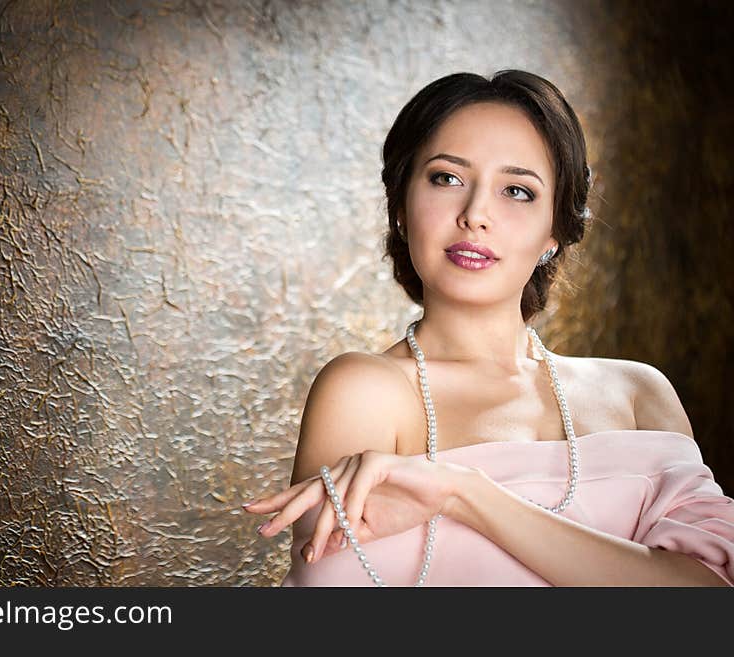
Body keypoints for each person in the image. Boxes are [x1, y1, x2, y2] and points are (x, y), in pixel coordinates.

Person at [242, 70, 734, 586]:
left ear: (555, 232)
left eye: (517, 191)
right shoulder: (365, 391)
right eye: (446, 178)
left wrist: (465, 494)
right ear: (402, 208)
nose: (475, 214)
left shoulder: (638, 395)